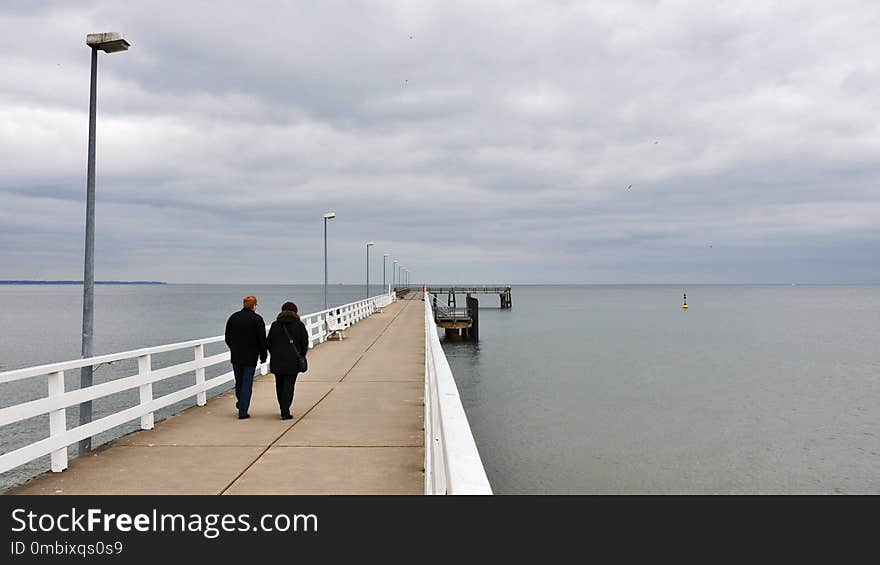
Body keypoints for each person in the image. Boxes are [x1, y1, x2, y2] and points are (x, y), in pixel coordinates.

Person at [224, 295, 268, 419]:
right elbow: (262, 340)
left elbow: (227, 337)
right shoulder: (257, 319)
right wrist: (263, 355)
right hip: (250, 357)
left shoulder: (234, 317)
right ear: (254, 306)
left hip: (236, 356)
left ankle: (241, 403)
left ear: (244, 304)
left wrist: (233, 348)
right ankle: (243, 410)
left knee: (239, 382)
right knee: (247, 383)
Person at [266, 301, 309, 420]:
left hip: (277, 360)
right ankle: (285, 410)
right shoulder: (299, 325)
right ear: (295, 312)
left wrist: (274, 353)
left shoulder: (275, 325)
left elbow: (268, 343)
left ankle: (282, 408)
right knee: (289, 386)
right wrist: (301, 355)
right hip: (293, 361)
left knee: (279, 386)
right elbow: (305, 343)